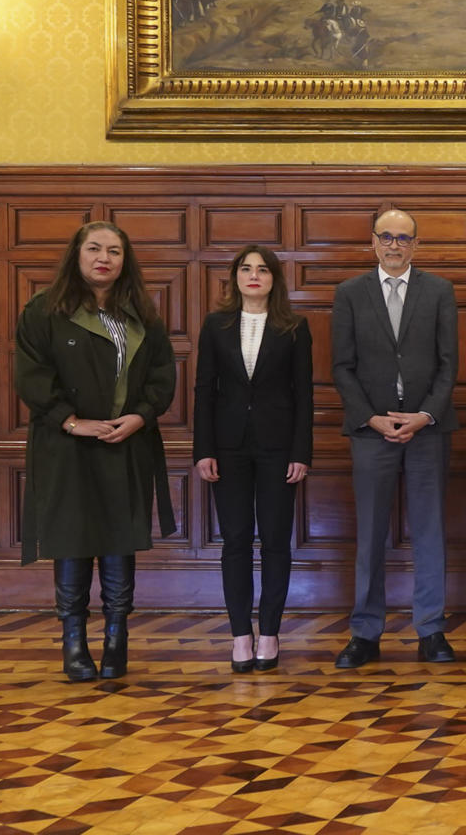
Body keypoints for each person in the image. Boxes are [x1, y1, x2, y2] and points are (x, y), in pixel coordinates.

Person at [16, 220, 177, 682]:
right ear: (77, 254)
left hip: (126, 444)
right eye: (94, 248)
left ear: (125, 261)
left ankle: (116, 640)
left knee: (118, 541)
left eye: (114, 251)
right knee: (71, 541)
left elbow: (162, 376)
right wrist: (72, 421)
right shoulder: (44, 310)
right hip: (66, 446)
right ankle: (74, 644)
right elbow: (32, 376)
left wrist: (141, 416)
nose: (104, 257)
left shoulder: (142, 314)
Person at [331, 206, 459, 669]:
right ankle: (365, 633)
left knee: (429, 532)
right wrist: (372, 418)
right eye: (386, 236)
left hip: (428, 430)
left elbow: (449, 365)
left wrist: (425, 414)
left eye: (403, 238)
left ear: (415, 245)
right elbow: (341, 367)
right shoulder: (349, 293)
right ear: (373, 242)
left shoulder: (439, 291)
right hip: (371, 432)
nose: (394, 244)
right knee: (370, 535)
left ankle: (431, 630)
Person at [193, 246, 313, 674]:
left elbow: (304, 395)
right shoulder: (215, 325)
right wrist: (203, 449)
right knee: (236, 541)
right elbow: (204, 390)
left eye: (263, 269)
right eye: (246, 269)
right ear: (235, 277)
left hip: (279, 448)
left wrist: (302, 452)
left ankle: (270, 633)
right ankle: (240, 634)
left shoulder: (294, 326)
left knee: (277, 542)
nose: (254, 276)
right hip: (227, 448)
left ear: (274, 278)